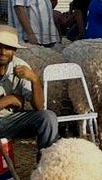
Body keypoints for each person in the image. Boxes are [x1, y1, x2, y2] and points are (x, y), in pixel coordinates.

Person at [0, 25, 59, 161]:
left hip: (10, 121)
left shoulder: (20, 67)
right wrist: (10, 99)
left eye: (7, 47)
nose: (2, 52)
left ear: (14, 51)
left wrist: (35, 79)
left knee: (48, 117)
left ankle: (45, 162)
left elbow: (39, 107)